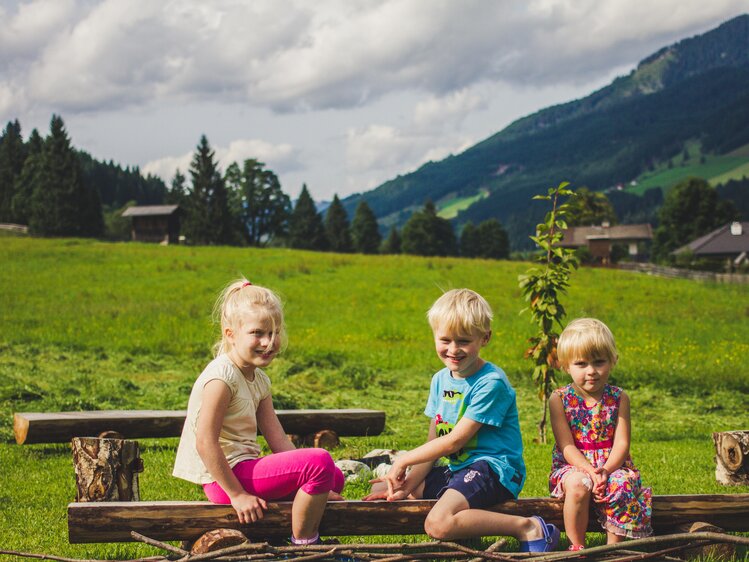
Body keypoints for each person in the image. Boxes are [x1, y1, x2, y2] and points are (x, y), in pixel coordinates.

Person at [364, 288, 559, 552]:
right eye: (445, 340)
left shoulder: (491, 383)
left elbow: (453, 441)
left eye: (463, 341)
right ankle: (467, 528)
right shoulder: (440, 379)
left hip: (493, 470)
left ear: (485, 338)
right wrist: (407, 485)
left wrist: (404, 460)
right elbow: (434, 441)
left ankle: (527, 527)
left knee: (438, 524)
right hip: (459, 470)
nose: (453, 350)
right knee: (384, 485)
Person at [173, 280, 344, 546]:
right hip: (224, 478)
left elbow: (277, 439)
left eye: (274, 332)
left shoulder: (259, 380)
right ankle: (304, 543)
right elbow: (205, 442)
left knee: (333, 476)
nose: (268, 342)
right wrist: (237, 495)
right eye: (257, 333)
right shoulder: (221, 378)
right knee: (319, 463)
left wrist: (322, 479)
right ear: (230, 334)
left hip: (244, 467)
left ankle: (278, 531)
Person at [549, 318, 652, 551]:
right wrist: (589, 471)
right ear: (566, 365)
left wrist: (606, 470)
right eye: (581, 364)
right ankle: (577, 547)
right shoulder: (559, 399)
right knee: (578, 485)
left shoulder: (619, 397)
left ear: (612, 361)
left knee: (622, 483)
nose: (591, 371)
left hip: (612, 465)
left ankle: (613, 549)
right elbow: (566, 446)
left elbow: (622, 443)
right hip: (574, 464)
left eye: (599, 362)